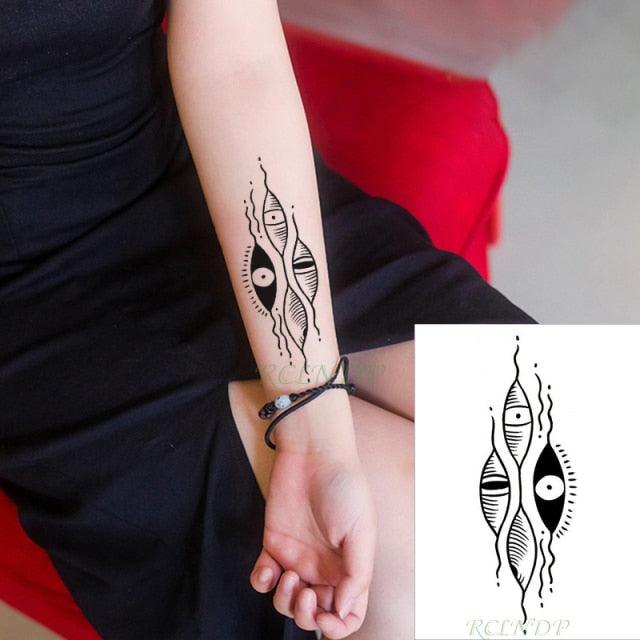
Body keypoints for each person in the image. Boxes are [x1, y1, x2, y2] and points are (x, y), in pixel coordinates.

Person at [0, 1, 534, 639]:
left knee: (586, 475)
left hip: (192, 163)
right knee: (465, 581)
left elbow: (237, 57)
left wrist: (311, 411)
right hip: (37, 302)